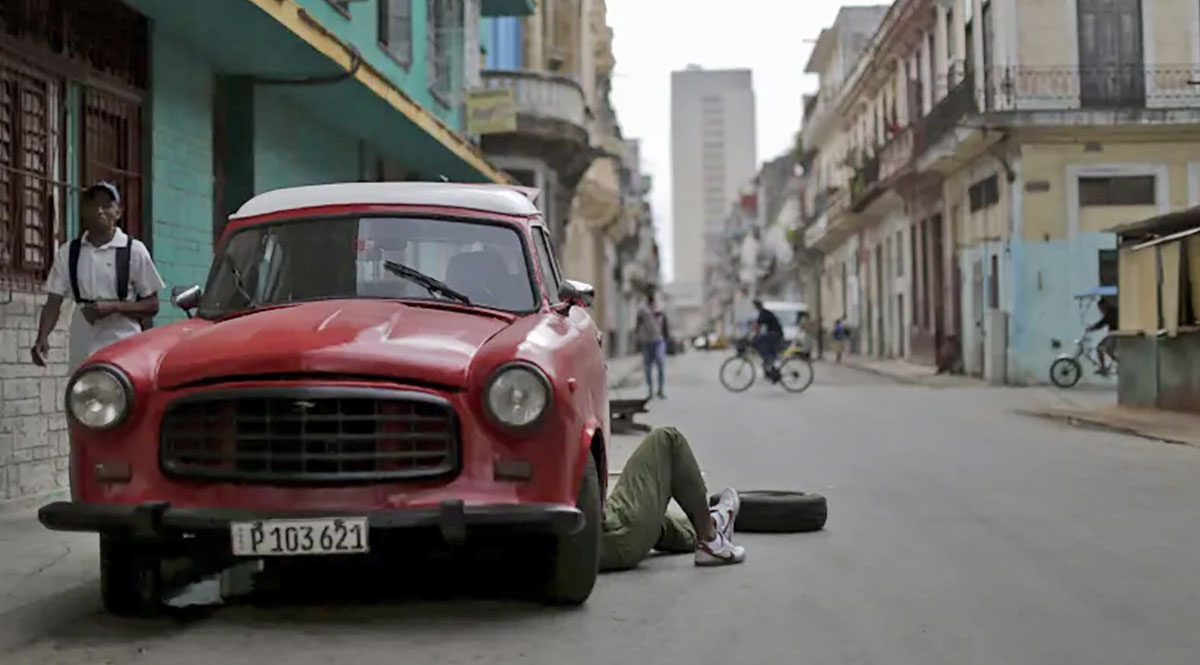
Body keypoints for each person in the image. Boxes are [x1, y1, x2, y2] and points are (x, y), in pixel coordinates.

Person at [32, 182, 165, 372]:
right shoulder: (69, 252)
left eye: (106, 206)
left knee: (121, 392)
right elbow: (54, 301)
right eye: (92, 205)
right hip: (83, 338)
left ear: (118, 212)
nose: (99, 211)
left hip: (123, 341)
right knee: (84, 393)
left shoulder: (133, 250)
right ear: (83, 211)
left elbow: (152, 305)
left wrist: (114, 307)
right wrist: (42, 337)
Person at [601, 427, 746, 571]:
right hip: (607, 537)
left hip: (597, 542)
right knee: (667, 440)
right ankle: (711, 540)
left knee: (656, 517)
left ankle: (713, 522)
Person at [634, 291, 668, 399]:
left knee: (660, 363)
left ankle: (660, 390)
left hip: (658, 340)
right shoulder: (642, 308)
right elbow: (638, 322)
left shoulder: (660, 306)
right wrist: (637, 337)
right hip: (646, 341)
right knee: (648, 367)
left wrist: (666, 335)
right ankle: (650, 391)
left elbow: (665, 321)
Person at [750, 299, 784, 380]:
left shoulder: (763, 313)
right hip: (775, 334)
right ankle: (770, 369)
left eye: (756, 306)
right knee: (762, 343)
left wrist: (753, 336)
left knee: (759, 342)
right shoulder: (764, 312)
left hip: (775, 334)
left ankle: (769, 361)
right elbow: (758, 326)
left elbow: (757, 326)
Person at [1088, 297, 1119, 375]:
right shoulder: (1111, 311)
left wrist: (1092, 328)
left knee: (1100, 348)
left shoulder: (1111, 312)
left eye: (1101, 308)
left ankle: (1103, 368)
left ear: (1105, 305)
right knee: (1109, 351)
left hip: (1115, 334)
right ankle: (1120, 363)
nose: (1101, 310)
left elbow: (1103, 322)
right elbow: (1103, 322)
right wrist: (1093, 327)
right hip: (1113, 334)